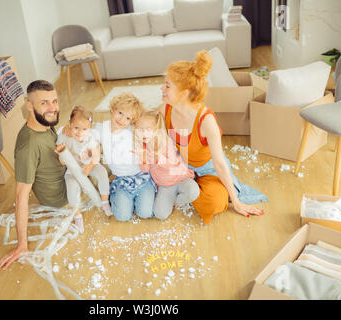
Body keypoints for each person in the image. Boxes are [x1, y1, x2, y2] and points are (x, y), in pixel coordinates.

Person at [158, 51, 268, 224]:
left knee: (214, 203)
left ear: (184, 92)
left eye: (167, 86)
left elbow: (219, 164)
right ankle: (186, 188)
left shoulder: (205, 120)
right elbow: (148, 125)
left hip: (209, 172)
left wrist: (237, 201)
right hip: (182, 168)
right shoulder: (165, 108)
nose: (162, 89)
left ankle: (191, 190)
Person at [0, 80, 67, 270]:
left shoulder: (44, 122)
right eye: (44, 103)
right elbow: (20, 195)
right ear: (29, 105)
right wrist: (22, 245)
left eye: (54, 101)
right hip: (62, 195)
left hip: (67, 175)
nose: (52, 108)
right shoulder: (29, 145)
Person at [93, 93, 156, 222]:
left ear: (131, 121)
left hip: (141, 178)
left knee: (145, 213)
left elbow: (150, 123)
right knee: (122, 216)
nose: (122, 120)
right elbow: (85, 131)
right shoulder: (101, 129)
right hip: (121, 181)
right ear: (112, 109)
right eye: (120, 113)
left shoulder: (132, 130)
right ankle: (119, 196)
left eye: (128, 118)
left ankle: (140, 197)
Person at [55, 106, 112, 234]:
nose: (80, 132)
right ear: (70, 125)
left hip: (88, 164)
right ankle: (77, 214)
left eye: (84, 129)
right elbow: (60, 152)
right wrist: (61, 157)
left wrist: (90, 166)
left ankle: (104, 201)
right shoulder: (64, 136)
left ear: (89, 128)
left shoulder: (90, 138)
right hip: (72, 169)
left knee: (102, 172)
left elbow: (96, 156)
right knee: (71, 185)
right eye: (76, 128)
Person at [133, 111, 200, 220]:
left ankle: (177, 201)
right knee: (160, 214)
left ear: (156, 129)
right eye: (140, 130)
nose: (144, 133)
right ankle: (172, 198)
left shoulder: (165, 141)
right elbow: (145, 169)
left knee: (193, 191)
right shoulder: (142, 146)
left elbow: (171, 165)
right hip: (165, 185)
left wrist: (157, 157)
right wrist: (143, 158)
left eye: (148, 129)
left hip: (180, 179)